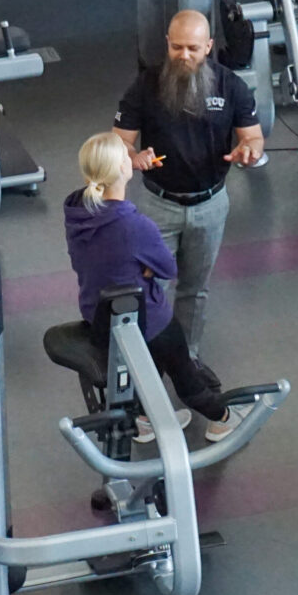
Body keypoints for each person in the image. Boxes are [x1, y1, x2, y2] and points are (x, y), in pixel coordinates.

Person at [64, 132, 248, 443]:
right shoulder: (136, 226)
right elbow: (168, 267)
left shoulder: (76, 210)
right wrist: (145, 268)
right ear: (125, 170)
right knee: (186, 378)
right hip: (150, 321)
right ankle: (224, 419)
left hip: (100, 318)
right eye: (126, 157)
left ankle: (145, 420)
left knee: (138, 372)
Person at [112, 9, 264, 384]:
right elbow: (117, 143)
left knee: (195, 291)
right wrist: (133, 158)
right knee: (150, 289)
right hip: (157, 205)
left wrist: (249, 150)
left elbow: (254, 137)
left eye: (193, 48)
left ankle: (187, 361)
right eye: (176, 47)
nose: (183, 55)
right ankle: (143, 368)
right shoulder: (145, 86)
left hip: (211, 204)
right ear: (167, 44)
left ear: (209, 46)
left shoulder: (231, 86)